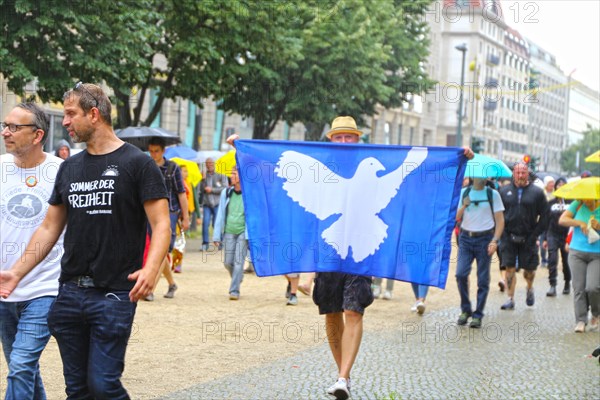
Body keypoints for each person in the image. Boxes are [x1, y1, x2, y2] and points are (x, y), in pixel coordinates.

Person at [227, 116, 474, 399]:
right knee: (332, 313)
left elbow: (412, 167)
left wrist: (458, 156)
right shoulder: (321, 171)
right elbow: (271, 164)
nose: (344, 142)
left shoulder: (379, 174)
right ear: (331, 140)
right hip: (330, 249)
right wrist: (243, 148)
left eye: (350, 137)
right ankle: (342, 374)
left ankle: (343, 377)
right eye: (339, 137)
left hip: (363, 247)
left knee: (353, 309)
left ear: (358, 140)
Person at [0, 82, 171, 399]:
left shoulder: (138, 164)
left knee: (103, 385)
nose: (64, 122)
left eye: (69, 114)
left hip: (114, 293)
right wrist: (18, 271)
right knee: (77, 390)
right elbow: (50, 228)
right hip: (69, 294)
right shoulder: (70, 167)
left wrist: (151, 269)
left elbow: (161, 224)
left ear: (94, 114)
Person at [0, 103, 64, 399]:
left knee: (21, 366)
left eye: (14, 127)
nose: (5, 132)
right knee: (22, 367)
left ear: (37, 135)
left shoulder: (61, 171)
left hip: (45, 287)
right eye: (5, 125)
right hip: (3, 291)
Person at [454, 178, 505, 328]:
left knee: (482, 279)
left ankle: (478, 315)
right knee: (460, 274)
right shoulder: (464, 192)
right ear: (472, 176)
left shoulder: (492, 194)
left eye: (483, 175)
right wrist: (464, 205)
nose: (480, 177)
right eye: (477, 174)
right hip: (465, 238)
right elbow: (456, 217)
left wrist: (495, 240)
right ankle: (466, 309)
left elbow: (500, 221)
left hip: (485, 239)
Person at [498, 162, 548, 310]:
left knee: (529, 270)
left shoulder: (537, 193)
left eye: (523, 173)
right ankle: (510, 298)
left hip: (529, 237)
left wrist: (536, 235)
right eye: (517, 172)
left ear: (527, 174)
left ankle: (529, 288)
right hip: (509, 236)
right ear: (513, 174)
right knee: (510, 268)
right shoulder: (504, 191)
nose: (520, 175)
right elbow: (498, 214)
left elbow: (545, 216)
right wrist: (500, 233)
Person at [146, 136, 190, 299]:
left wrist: (185, 217)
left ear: (163, 151)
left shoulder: (173, 168)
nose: (153, 154)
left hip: (170, 213)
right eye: (150, 151)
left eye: (156, 151)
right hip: (150, 215)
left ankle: (150, 289)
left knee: (162, 251)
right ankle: (171, 284)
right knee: (156, 251)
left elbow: (181, 193)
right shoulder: (147, 167)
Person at [559, 196, 599, 333]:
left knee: (593, 287)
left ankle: (596, 313)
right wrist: (579, 223)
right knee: (578, 288)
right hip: (577, 252)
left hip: (597, 254)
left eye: (590, 199)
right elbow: (562, 220)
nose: (586, 201)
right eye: (584, 199)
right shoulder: (578, 203)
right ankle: (581, 320)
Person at [213, 165, 249, 300]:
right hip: (229, 231)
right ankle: (238, 276)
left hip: (242, 232)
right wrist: (217, 235)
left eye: (234, 174)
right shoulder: (226, 193)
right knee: (228, 262)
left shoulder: (249, 194)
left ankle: (234, 290)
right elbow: (220, 214)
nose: (231, 176)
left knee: (239, 261)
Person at [544, 177, 571, 296]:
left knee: (566, 261)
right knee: (552, 259)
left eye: (563, 185)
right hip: (552, 234)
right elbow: (546, 221)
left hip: (566, 236)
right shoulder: (550, 203)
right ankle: (552, 285)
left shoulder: (571, 203)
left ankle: (567, 282)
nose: (560, 187)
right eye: (558, 185)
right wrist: (545, 238)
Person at [199, 157, 228, 251]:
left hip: (217, 204)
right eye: (207, 164)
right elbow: (200, 190)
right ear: (206, 165)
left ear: (214, 164)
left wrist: (212, 190)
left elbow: (225, 188)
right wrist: (202, 180)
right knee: (205, 223)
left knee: (217, 223)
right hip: (207, 204)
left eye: (211, 163)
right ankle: (205, 244)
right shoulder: (203, 176)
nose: (209, 165)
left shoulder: (220, 176)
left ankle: (220, 242)